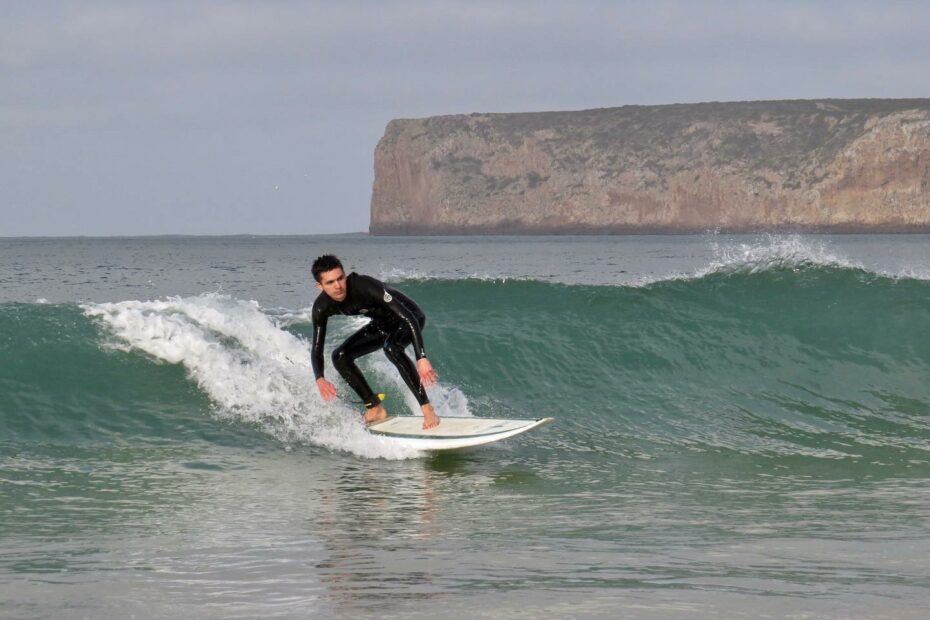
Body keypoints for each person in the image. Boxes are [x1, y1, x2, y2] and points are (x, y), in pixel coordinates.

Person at [310, 254, 440, 429]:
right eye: (330, 282)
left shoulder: (364, 285)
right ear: (320, 286)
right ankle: (374, 408)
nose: (338, 286)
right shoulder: (321, 307)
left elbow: (408, 316)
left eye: (340, 278)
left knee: (392, 349)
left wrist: (421, 357)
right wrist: (320, 378)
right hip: (382, 324)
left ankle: (427, 409)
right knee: (340, 356)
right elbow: (317, 347)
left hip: (410, 317)